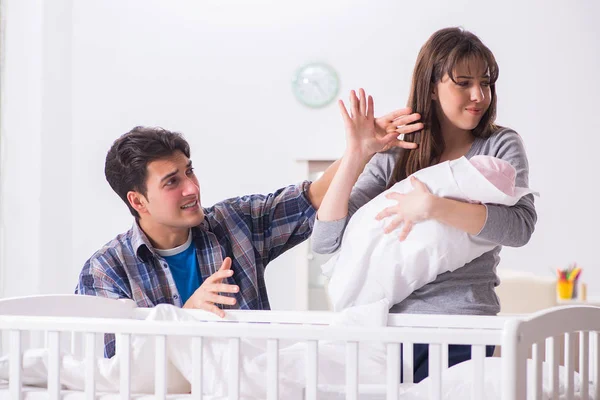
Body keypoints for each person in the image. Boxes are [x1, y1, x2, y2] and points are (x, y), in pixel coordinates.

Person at [76, 122, 420, 357]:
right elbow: (115, 368)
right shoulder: (106, 271)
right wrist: (186, 316)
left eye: (189, 171)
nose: (192, 188)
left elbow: (314, 197)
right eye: (172, 182)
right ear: (137, 201)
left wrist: (360, 150)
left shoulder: (235, 222)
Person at [312, 27, 537, 382]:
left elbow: (520, 227)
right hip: (388, 326)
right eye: (463, 82)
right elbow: (325, 241)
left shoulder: (499, 146)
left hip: (462, 324)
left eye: (486, 83)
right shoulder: (399, 152)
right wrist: (357, 153)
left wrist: (433, 207)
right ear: (432, 87)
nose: (479, 95)